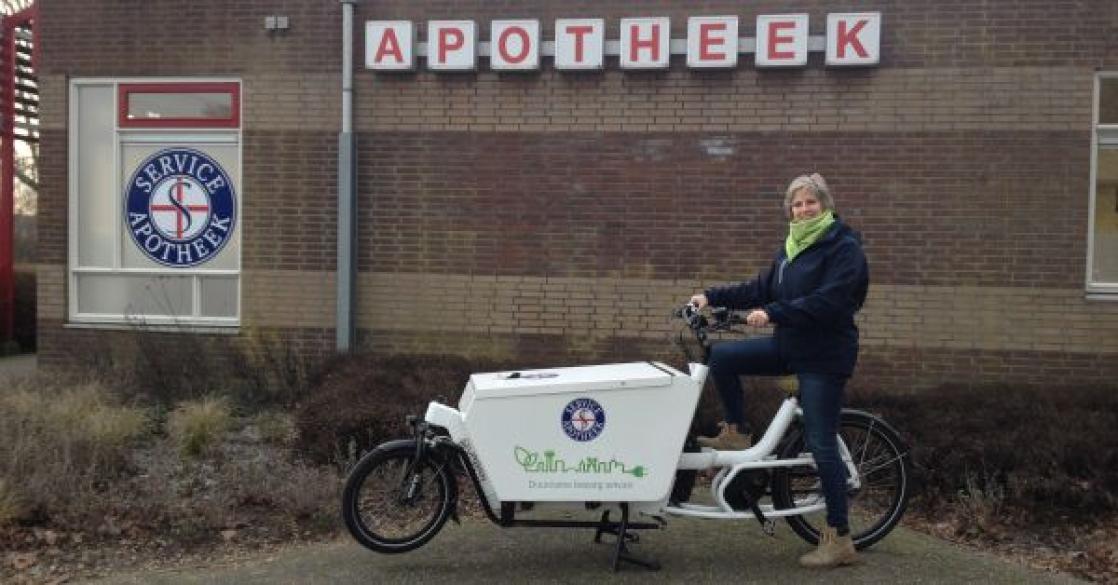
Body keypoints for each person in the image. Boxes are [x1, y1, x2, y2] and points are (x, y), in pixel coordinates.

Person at [688, 173, 868, 569]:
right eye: (797, 204)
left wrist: (773, 312)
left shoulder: (844, 248)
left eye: (810, 203)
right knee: (723, 358)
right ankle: (737, 432)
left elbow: (829, 302)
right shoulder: (791, 249)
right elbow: (761, 288)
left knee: (821, 443)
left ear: (825, 205)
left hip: (824, 356)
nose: (803, 210)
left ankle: (839, 538)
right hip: (790, 347)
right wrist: (711, 296)